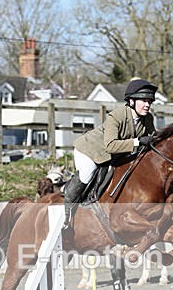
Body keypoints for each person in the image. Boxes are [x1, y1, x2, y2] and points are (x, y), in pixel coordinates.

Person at [63, 78, 159, 227]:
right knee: (87, 175)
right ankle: (67, 212)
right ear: (132, 101)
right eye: (144, 101)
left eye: (149, 101)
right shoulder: (117, 116)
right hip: (90, 151)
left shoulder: (148, 119)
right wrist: (137, 141)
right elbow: (110, 146)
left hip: (114, 156)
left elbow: (152, 139)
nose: (147, 105)